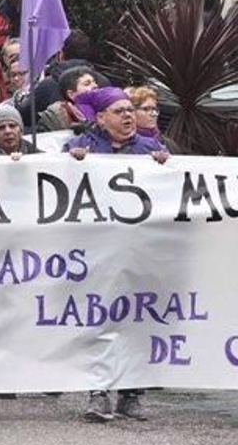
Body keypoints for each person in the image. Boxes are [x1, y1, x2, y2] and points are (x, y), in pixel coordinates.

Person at [65, 87, 171, 423]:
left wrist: (165, 168)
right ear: (100, 118)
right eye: (119, 111)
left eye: (130, 110)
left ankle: (131, 394)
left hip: (137, 251)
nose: (128, 116)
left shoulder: (151, 148)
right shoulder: (78, 148)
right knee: (98, 321)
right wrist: (71, 164)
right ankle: (99, 391)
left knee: (135, 321)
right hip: (95, 251)